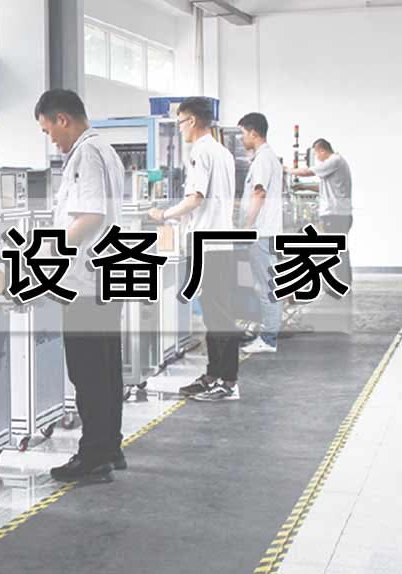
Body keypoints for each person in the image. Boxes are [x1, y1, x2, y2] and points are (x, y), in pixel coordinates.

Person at [35, 89, 126, 483]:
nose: (51, 138)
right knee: (106, 369)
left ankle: (93, 457)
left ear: (63, 119)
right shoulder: (104, 149)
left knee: (88, 373)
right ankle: (110, 447)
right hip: (104, 277)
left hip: (87, 283)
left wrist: (47, 251)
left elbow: (90, 216)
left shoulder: (87, 153)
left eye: (48, 130)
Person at [149, 97, 240, 402]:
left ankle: (227, 381)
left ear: (192, 121)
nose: (179, 129)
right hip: (220, 242)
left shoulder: (200, 151)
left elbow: (195, 198)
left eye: (180, 122)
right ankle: (214, 375)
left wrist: (163, 215)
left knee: (218, 316)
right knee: (216, 315)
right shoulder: (223, 152)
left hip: (208, 245)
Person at [237, 113, 284, 354]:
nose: (241, 138)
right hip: (264, 231)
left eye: (243, 133)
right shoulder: (265, 158)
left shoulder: (264, 159)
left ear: (254, 133)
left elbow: (259, 193)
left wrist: (247, 226)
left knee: (266, 286)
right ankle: (267, 332)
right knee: (263, 284)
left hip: (260, 232)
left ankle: (268, 339)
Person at [290, 139, 353, 286]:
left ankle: (341, 283)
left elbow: (307, 172)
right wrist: (303, 187)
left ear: (322, 150)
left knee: (335, 249)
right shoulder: (337, 163)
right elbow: (324, 188)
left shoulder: (334, 160)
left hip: (335, 214)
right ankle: (344, 281)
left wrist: (286, 170)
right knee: (339, 249)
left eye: (316, 154)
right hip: (339, 214)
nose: (317, 158)